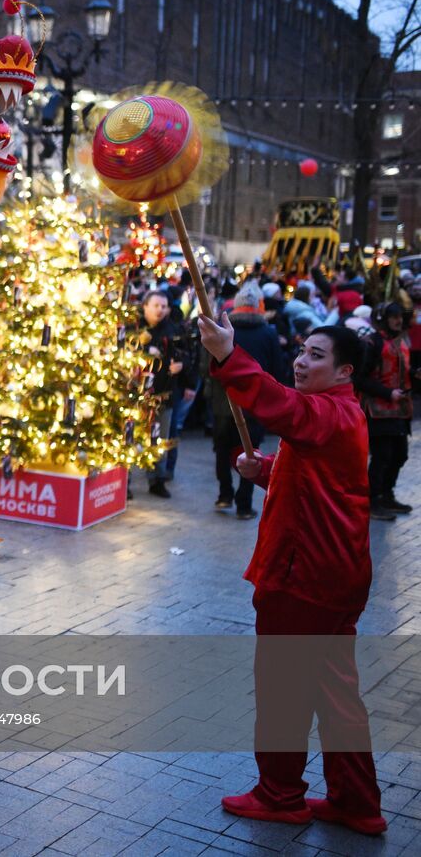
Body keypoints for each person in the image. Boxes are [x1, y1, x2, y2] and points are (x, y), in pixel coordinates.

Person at [198, 315, 385, 837]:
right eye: (302, 351)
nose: (302, 361)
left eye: (317, 355)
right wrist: (268, 473)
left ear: (345, 370)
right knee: (335, 691)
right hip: (336, 576)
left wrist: (228, 355)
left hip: (305, 578)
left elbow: (280, 405)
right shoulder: (342, 414)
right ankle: (356, 800)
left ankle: (280, 795)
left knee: (283, 689)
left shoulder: (330, 412)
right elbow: (319, 486)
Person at [206, 282, 282, 520]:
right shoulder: (268, 334)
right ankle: (243, 503)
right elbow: (277, 370)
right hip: (253, 404)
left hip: (222, 402)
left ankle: (224, 494)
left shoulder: (220, 332)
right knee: (251, 453)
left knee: (222, 450)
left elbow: (205, 366)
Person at [356, 301, 412, 521]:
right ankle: (372, 500)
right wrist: (387, 393)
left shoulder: (402, 340)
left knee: (400, 455)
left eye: (400, 316)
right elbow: (359, 378)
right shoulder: (372, 343)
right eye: (394, 316)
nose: (399, 320)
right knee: (382, 456)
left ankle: (387, 494)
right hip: (378, 410)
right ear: (383, 318)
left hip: (400, 410)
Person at [140, 290, 196, 498]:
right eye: (156, 305)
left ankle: (157, 479)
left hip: (164, 394)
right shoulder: (136, 329)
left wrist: (182, 367)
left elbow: (188, 356)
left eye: (163, 306)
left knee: (160, 438)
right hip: (136, 395)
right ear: (145, 306)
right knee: (132, 437)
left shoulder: (174, 330)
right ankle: (124, 482)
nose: (160, 310)